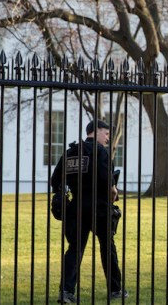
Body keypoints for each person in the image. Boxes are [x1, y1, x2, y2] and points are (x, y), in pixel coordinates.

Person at [51, 119, 128, 303]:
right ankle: (115, 289)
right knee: (107, 247)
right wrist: (113, 193)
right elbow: (109, 185)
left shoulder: (71, 151)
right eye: (106, 133)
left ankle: (66, 292)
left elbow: (55, 180)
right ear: (95, 131)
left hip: (75, 207)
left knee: (75, 249)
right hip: (98, 208)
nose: (108, 138)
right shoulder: (100, 151)